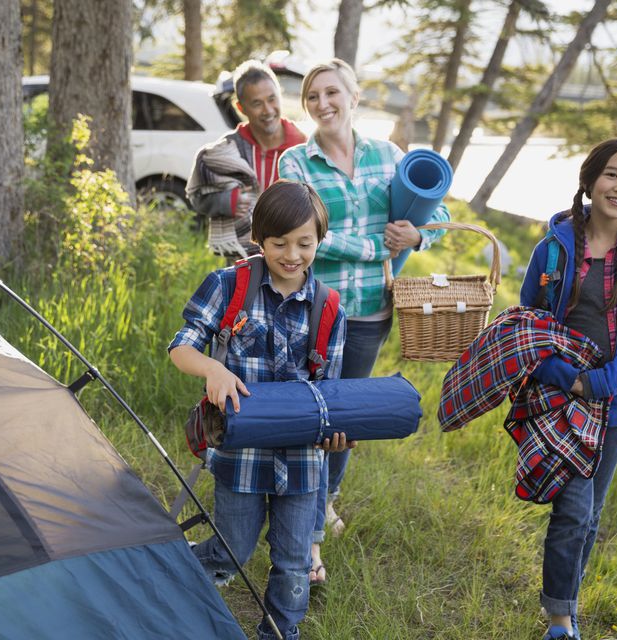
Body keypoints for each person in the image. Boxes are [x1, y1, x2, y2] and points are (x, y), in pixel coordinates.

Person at [279, 58, 449, 582]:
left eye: (333, 93)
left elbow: (437, 213)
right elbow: (307, 233)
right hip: (313, 310)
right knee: (313, 416)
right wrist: (379, 245)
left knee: (346, 421)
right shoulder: (295, 163)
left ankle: (325, 499)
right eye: (313, 97)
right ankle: (305, 541)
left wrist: (418, 237)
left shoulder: (387, 154)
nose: (323, 104)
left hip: (372, 312)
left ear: (354, 97)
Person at [169, 180, 350, 640]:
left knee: (292, 565)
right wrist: (212, 367)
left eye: (304, 243)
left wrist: (336, 431)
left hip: (303, 461)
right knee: (232, 551)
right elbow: (181, 346)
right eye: (279, 243)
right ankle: (170, 574)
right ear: (258, 238)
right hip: (241, 456)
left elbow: (331, 392)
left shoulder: (329, 308)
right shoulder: (230, 285)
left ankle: (279, 632)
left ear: (319, 241)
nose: (292, 254)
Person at [520, 138, 617, 639]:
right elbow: (530, 324)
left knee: (590, 514)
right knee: (572, 508)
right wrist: (567, 378)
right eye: (613, 175)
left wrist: (602, 381)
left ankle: (568, 603)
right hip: (561, 396)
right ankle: (561, 621)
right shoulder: (555, 245)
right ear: (589, 180)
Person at [187, 60, 307, 262]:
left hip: (293, 261)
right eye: (257, 103)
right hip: (242, 261)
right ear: (241, 107)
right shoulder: (226, 151)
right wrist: (226, 202)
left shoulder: (303, 146)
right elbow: (197, 196)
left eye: (272, 99)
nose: (268, 110)